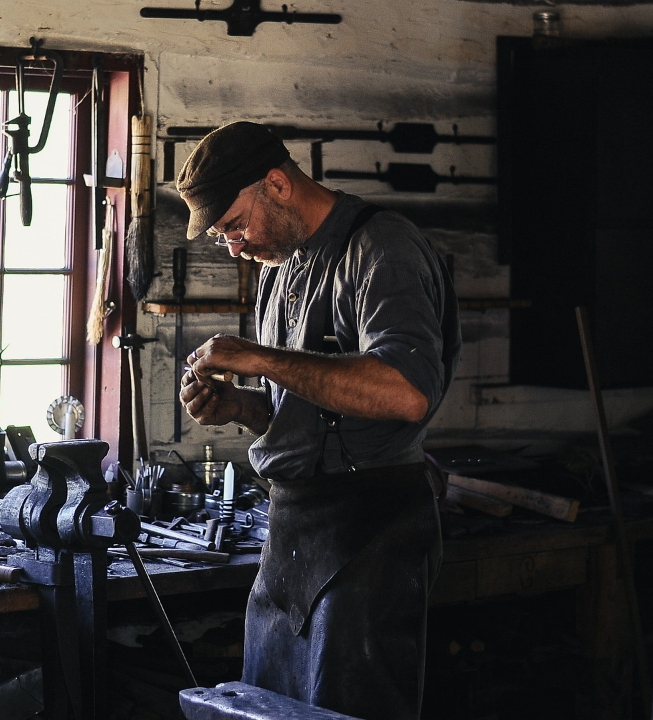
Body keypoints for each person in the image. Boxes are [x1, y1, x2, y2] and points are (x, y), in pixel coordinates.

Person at [175, 121, 461, 720]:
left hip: (370, 532)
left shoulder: (382, 248)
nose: (233, 246)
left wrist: (258, 359)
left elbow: (408, 392)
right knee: (266, 711)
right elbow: (308, 414)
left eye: (234, 225)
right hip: (293, 536)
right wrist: (241, 408)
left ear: (277, 185)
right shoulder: (282, 271)